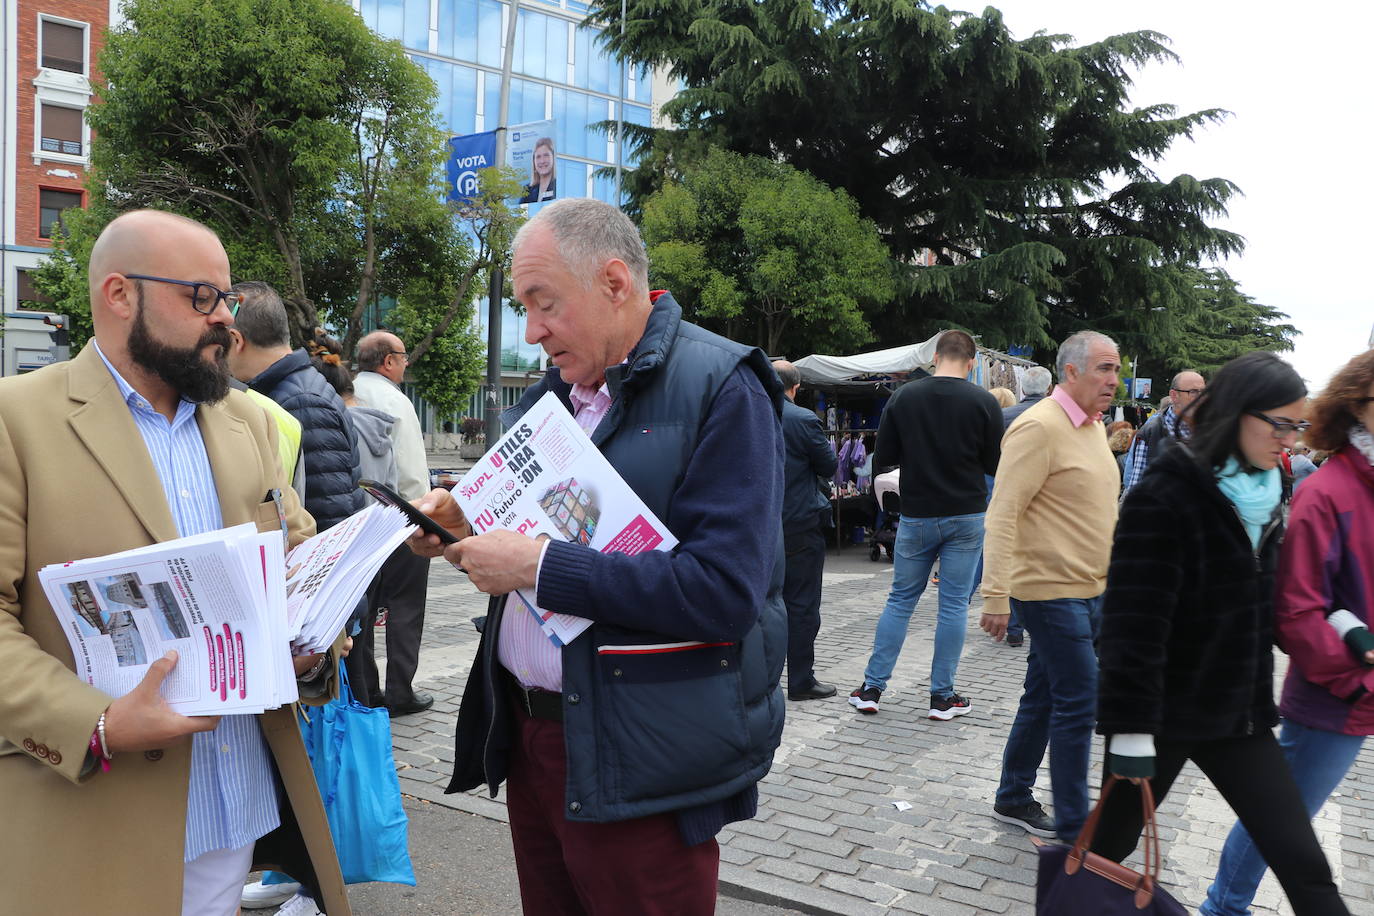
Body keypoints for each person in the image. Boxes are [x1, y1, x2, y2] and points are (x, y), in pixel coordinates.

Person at [409, 197, 787, 916]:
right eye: (523, 307)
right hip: (534, 741)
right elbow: (521, 524)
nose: (531, 332)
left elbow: (725, 593)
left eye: (543, 303)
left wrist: (539, 567)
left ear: (616, 283)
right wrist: (462, 523)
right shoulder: (551, 398)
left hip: (643, 755)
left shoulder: (721, 386)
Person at [0, 210, 347, 916]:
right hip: (97, 808)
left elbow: (299, 556)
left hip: (236, 799)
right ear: (119, 295)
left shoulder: (248, 420)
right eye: (201, 298)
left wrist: (313, 643)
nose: (224, 319)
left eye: (227, 299)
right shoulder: (18, 419)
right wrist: (94, 723)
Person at [1091, 351, 1349, 915]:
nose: (1288, 439)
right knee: (1106, 856)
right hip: (1158, 719)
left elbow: (1276, 597)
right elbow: (1132, 622)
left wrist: (1342, 621)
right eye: (1278, 423)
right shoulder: (1168, 491)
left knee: (1304, 865)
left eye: (1296, 425)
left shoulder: (1268, 492)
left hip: (1237, 715)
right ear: (1235, 413)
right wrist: (1130, 731)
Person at [1199, 351, 1374, 916]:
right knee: (1282, 823)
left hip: (1345, 693)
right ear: (1357, 406)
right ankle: (1223, 908)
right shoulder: (1330, 491)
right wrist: (1357, 681)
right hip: (1334, 696)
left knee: (1284, 822)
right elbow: (1298, 610)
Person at [979, 331, 1121, 842]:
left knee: (1042, 696)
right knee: (1079, 698)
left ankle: (1013, 796)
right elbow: (1003, 514)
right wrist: (995, 596)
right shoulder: (1038, 427)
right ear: (1071, 372)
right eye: (1104, 369)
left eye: (1116, 369)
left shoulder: (1091, 429)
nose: (1113, 379)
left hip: (1091, 590)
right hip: (1048, 591)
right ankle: (1074, 824)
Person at [848, 329, 1002, 720]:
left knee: (900, 601)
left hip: (917, 513)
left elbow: (883, 457)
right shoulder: (984, 402)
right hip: (967, 514)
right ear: (971, 363)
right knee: (952, 606)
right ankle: (942, 696)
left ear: (935, 358)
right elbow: (994, 464)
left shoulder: (903, 397)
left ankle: (871, 688)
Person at [353, 330, 434, 717]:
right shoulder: (396, 401)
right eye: (403, 357)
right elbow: (412, 472)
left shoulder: (344, 393)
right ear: (388, 361)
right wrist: (423, 520)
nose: (405, 364)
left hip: (357, 521)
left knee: (364, 609)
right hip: (399, 518)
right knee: (406, 607)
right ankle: (401, 690)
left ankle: (367, 688)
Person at [773, 359, 839, 701]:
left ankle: (761, 678)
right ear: (795, 388)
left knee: (763, 604)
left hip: (760, 526)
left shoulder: (747, 414)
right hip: (799, 523)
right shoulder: (802, 419)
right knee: (801, 606)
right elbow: (828, 464)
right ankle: (800, 680)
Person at [994, 364, 1054, 647]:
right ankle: (1039, 624)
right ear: (1049, 388)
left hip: (1006, 492)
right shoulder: (1058, 417)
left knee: (1013, 560)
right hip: (1046, 501)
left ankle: (1016, 627)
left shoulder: (1003, 416)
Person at [1120, 369, 1205, 494]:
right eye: (1193, 392)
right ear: (1174, 395)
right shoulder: (1152, 431)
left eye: (1203, 392)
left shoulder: (1210, 429)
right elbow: (1136, 490)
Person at [518, 137, 557, 204]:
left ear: (553, 157)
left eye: (546, 155)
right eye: (538, 157)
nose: (542, 161)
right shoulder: (527, 190)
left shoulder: (558, 186)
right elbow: (522, 214)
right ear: (534, 161)